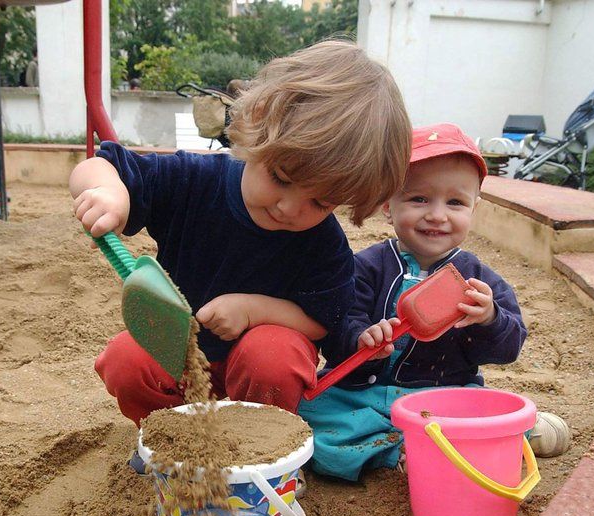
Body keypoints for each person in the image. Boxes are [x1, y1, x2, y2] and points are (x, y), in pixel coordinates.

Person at [70, 39, 411, 429]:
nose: (290, 208)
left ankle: (264, 446)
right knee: (125, 361)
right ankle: (170, 437)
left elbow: (322, 320)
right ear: (258, 124)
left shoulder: (324, 243)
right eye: (280, 178)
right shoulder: (192, 181)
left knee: (272, 355)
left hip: (260, 378)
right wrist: (109, 194)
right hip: (181, 354)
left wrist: (252, 311)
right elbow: (102, 165)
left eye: (321, 202)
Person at [297, 123, 527, 481]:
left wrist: (489, 318)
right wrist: (361, 339)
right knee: (311, 427)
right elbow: (337, 326)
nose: (437, 215)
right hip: (366, 396)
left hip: (441, 398)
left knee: (489, 419)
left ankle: (412, 445)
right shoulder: (365, 267)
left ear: (473, 209)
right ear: (389, 205)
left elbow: (509, 347)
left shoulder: (478, 280)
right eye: (419, 199)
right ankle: (395, 450)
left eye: (455, 202)